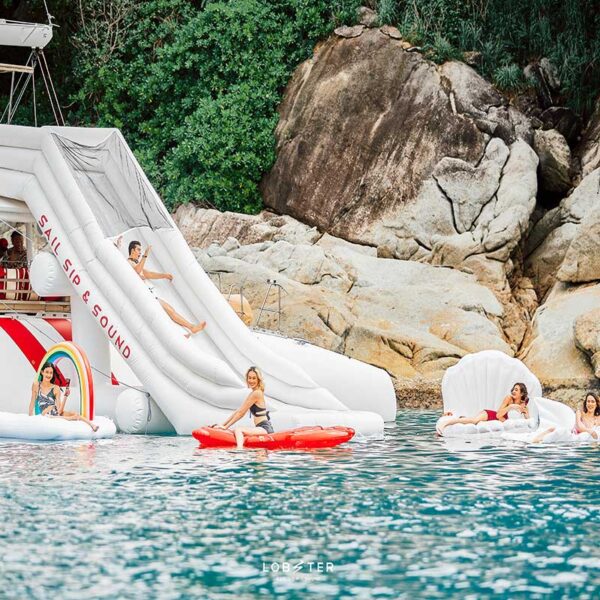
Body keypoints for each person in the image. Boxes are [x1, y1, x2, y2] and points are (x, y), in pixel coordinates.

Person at [127, 240, 206, 337]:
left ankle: (191, 327)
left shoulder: (136, 264)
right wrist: (145, 255)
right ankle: (190, 328)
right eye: (138, 250)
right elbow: (137, 271)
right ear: (132, 250)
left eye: (141, 250)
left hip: (150, 294)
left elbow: (149, 274)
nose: (140, 252)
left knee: (170, 309)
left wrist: (164, 275)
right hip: (144, 297)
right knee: (169, 311)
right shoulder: (129, 263)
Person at [214, 366, 274, 448]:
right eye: (249, 378)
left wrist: (225, 427)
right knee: (237, 430)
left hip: (264, 427)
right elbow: (238, 410)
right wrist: (223, 425)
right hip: (260, 427)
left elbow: (241, 413)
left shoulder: (257, 393)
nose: (251, 380)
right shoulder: (253, 393)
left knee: (238, 430)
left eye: (254, 378)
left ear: (258, 379)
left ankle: (239, 450)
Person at [29, 362, 98, 432]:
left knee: (75, 414)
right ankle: (68, 418)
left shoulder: (56, 388)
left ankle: (92, 425)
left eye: (51, 373)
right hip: (46, 414)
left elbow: (59, 410)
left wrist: (65, 396)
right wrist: (30, 419)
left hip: (55, 413)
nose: (49, 375)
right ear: (42, 372)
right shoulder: (36, 385)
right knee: (47, 415)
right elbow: (32, 402)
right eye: (47, 372)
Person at [438, 382, 530, 433]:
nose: (513, 391)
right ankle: (446, 423)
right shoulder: (509, 398)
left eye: (516, 390)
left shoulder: (524, 404)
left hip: (500, 421)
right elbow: (498, 415)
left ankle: (461, 418)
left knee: (473, 420)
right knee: (474, 421)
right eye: (513, 389)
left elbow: (528, 419)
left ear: (522, 393)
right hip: (490, 415)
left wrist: (526, 414)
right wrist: (510, 406)